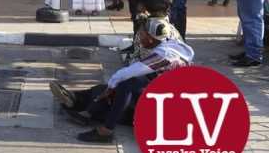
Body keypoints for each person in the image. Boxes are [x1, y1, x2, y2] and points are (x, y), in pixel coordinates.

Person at [51, 17, 193, 143]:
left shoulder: (164, 55)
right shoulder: (171, 44)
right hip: (160, 99)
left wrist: (111, 87)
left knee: (125, 84)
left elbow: (128, 72)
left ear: (151, 38)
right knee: (113, 89)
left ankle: (104, 128)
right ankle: (77, 100)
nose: (139, 37)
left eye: (142, 34)